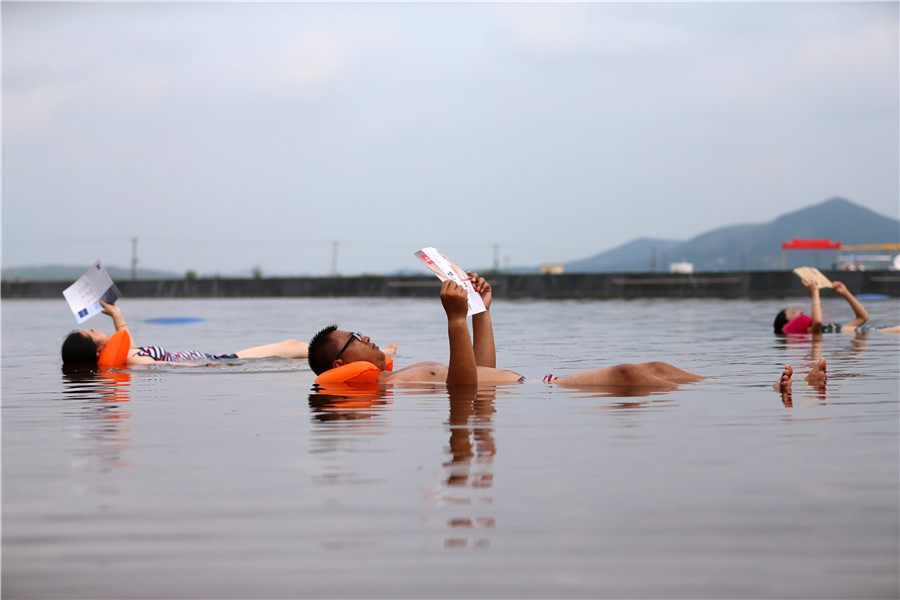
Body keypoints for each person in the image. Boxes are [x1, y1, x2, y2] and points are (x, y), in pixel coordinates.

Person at [308, 273, 704, 388]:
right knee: (629, 374)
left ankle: (758, 388)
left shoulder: (402, 374)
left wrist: (480, 312)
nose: (367, 337)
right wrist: (455, 319)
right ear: (341, 361)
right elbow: (463, 388)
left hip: (530, 382)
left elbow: (479, 374)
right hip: (540, 388)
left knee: (658, 365)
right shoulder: (392, 386)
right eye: (356, 338)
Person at [62, 300, 310, 366]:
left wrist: (117, 315)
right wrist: (212, 366)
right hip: (223, 361)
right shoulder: (129, 360)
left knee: (294, 349)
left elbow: (131, 345)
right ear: (97, 350)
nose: (98, 329)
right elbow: (169, 367)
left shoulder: (125, 356)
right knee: (293, 346)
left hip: (218, 358)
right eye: (94, 331)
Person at [773, 279, 899, 335]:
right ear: (787, 324)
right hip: (880, 332)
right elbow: (817, 321)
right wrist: (814, 292)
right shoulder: (815, 331)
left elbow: (864, 317)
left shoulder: (827, 329)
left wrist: (845, 293)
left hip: (878, 330)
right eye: (794, 313)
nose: (800, 311)